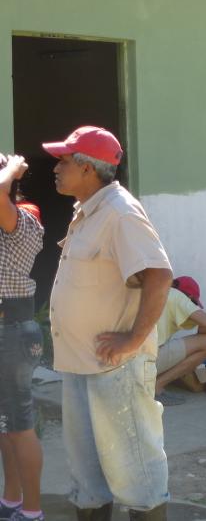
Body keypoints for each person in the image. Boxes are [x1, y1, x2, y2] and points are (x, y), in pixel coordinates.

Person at [43, 126, 172, 521]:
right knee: (88, 478)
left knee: (136, 473)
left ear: (87, 168)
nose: (56, 168)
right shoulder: (90, 210)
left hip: (115, 365)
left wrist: (134, 338)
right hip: (81, 361)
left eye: (64, 161)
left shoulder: (120, 212)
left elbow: (159, 275)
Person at [0, 153, 45, 521]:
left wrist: (10, 171)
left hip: (11, 332)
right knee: (5, 426)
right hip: (6, 332)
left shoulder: (22, 218)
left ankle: (32, 512)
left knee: (20, 423)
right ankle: (11, 499)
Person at [153, 276, 206, 406]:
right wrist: (200, 338)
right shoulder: (177, 295)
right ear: (188, 297)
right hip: (144, 362)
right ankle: (156, 387)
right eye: (193, 303)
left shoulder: (156, 291)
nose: (192, 306)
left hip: (124, 363)